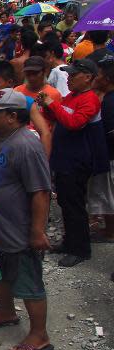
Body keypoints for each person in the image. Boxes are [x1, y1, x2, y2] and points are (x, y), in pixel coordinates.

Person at [0, 90, 54, 350]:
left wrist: (37, 231)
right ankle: (7, 311)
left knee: (28, 280)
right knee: (0, 270)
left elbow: (40, 191)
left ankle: (39, 335)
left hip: (19, 228)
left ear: (12, 116)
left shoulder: (26, 145)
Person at [36, 59, 110, 267]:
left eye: (73, 75)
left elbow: (74, 123)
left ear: (87, 77)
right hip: (65, 159)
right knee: (66, 203)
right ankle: (70, 242)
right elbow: (60, 116)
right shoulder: (71, 97)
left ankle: (80, 249)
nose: (68, 79)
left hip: (77, 161)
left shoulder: (90, 99)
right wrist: (49, 106)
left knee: (75, 205)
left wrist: (53, 105)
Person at [0, 60, 52, 163]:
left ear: (9, 82)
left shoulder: (25, 102)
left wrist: (43, 162)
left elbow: (45, 133)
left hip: (18, 161)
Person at [88, 55, 114, 243]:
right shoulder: (106, 98)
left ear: (106, 79)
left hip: (110, 156)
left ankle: (111, 231)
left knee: (109, 194)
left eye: (98, 76)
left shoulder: (109, 103)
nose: (95, 78)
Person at [15, 55, 62, 128]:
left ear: (44, 72)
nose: (31, 77)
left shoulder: (54, 94)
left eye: (35, 73)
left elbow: (57, 121)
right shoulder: (17, 92)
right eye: (28, 73)